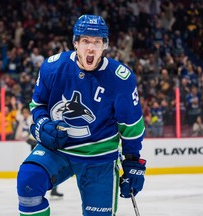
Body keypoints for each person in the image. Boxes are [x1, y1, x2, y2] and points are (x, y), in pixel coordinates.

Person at [17, 14, 146, 216]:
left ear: (105, 45)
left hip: (99, 157)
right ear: (75, 43)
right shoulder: (52, 68)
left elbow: (131, 127)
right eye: (85, 40)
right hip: (58, 148)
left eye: (97, 42)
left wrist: (132, 162)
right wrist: (42, 124)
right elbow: (38, 104)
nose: (91, 48)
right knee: (28, 181)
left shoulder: (121, 79)